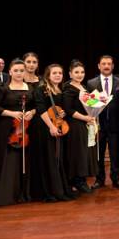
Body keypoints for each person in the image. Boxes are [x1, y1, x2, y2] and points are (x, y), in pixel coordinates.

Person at [0, 59, 35, 206]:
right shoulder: (2, 88)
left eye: (21, 70)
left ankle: (25, 192)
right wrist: (11, 113)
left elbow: (36, 105)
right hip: (7, 128)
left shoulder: (30, 87)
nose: (19, 73)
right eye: (15, 70)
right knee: (9, 160)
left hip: (27, 127)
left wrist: (32, 112)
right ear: (10, 72)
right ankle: (8, 193)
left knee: (25, 159)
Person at [33, 64, 74, 202]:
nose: (58, 75)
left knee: (58, 158)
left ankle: (60, 188)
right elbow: (41, 109)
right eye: (54, 73)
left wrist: (61, 113)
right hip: (45, 128)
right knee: (49, 158)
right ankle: (50, 191)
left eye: (60, 73)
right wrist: (51, 127)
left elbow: (58, 110)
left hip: (57, 126)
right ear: (48, 75)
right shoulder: (41, 89)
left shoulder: (60, 90)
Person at [86, 55, 119, 189]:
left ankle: (116, 178)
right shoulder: (91, 83)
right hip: (99, 125)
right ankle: (99, 179)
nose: (106, 66)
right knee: (99, 154)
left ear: (113, 66)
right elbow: (89, 103)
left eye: (109, 64)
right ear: (99, 66)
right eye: (103, 64)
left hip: (116, 124)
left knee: (115, 154)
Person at [63, 61, 98, 194]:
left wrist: (93, 116)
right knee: (77, 154)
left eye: (82, 72)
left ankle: (81, 180)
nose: (79, 75)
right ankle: (77, 181)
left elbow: (90, 106)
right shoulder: (68, 89)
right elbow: (68, 109)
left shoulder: (84, 87)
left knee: (85, 153)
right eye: (76, 72)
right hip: (75, 125)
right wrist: (85, 118)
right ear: (70, 73)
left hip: (85, 124)